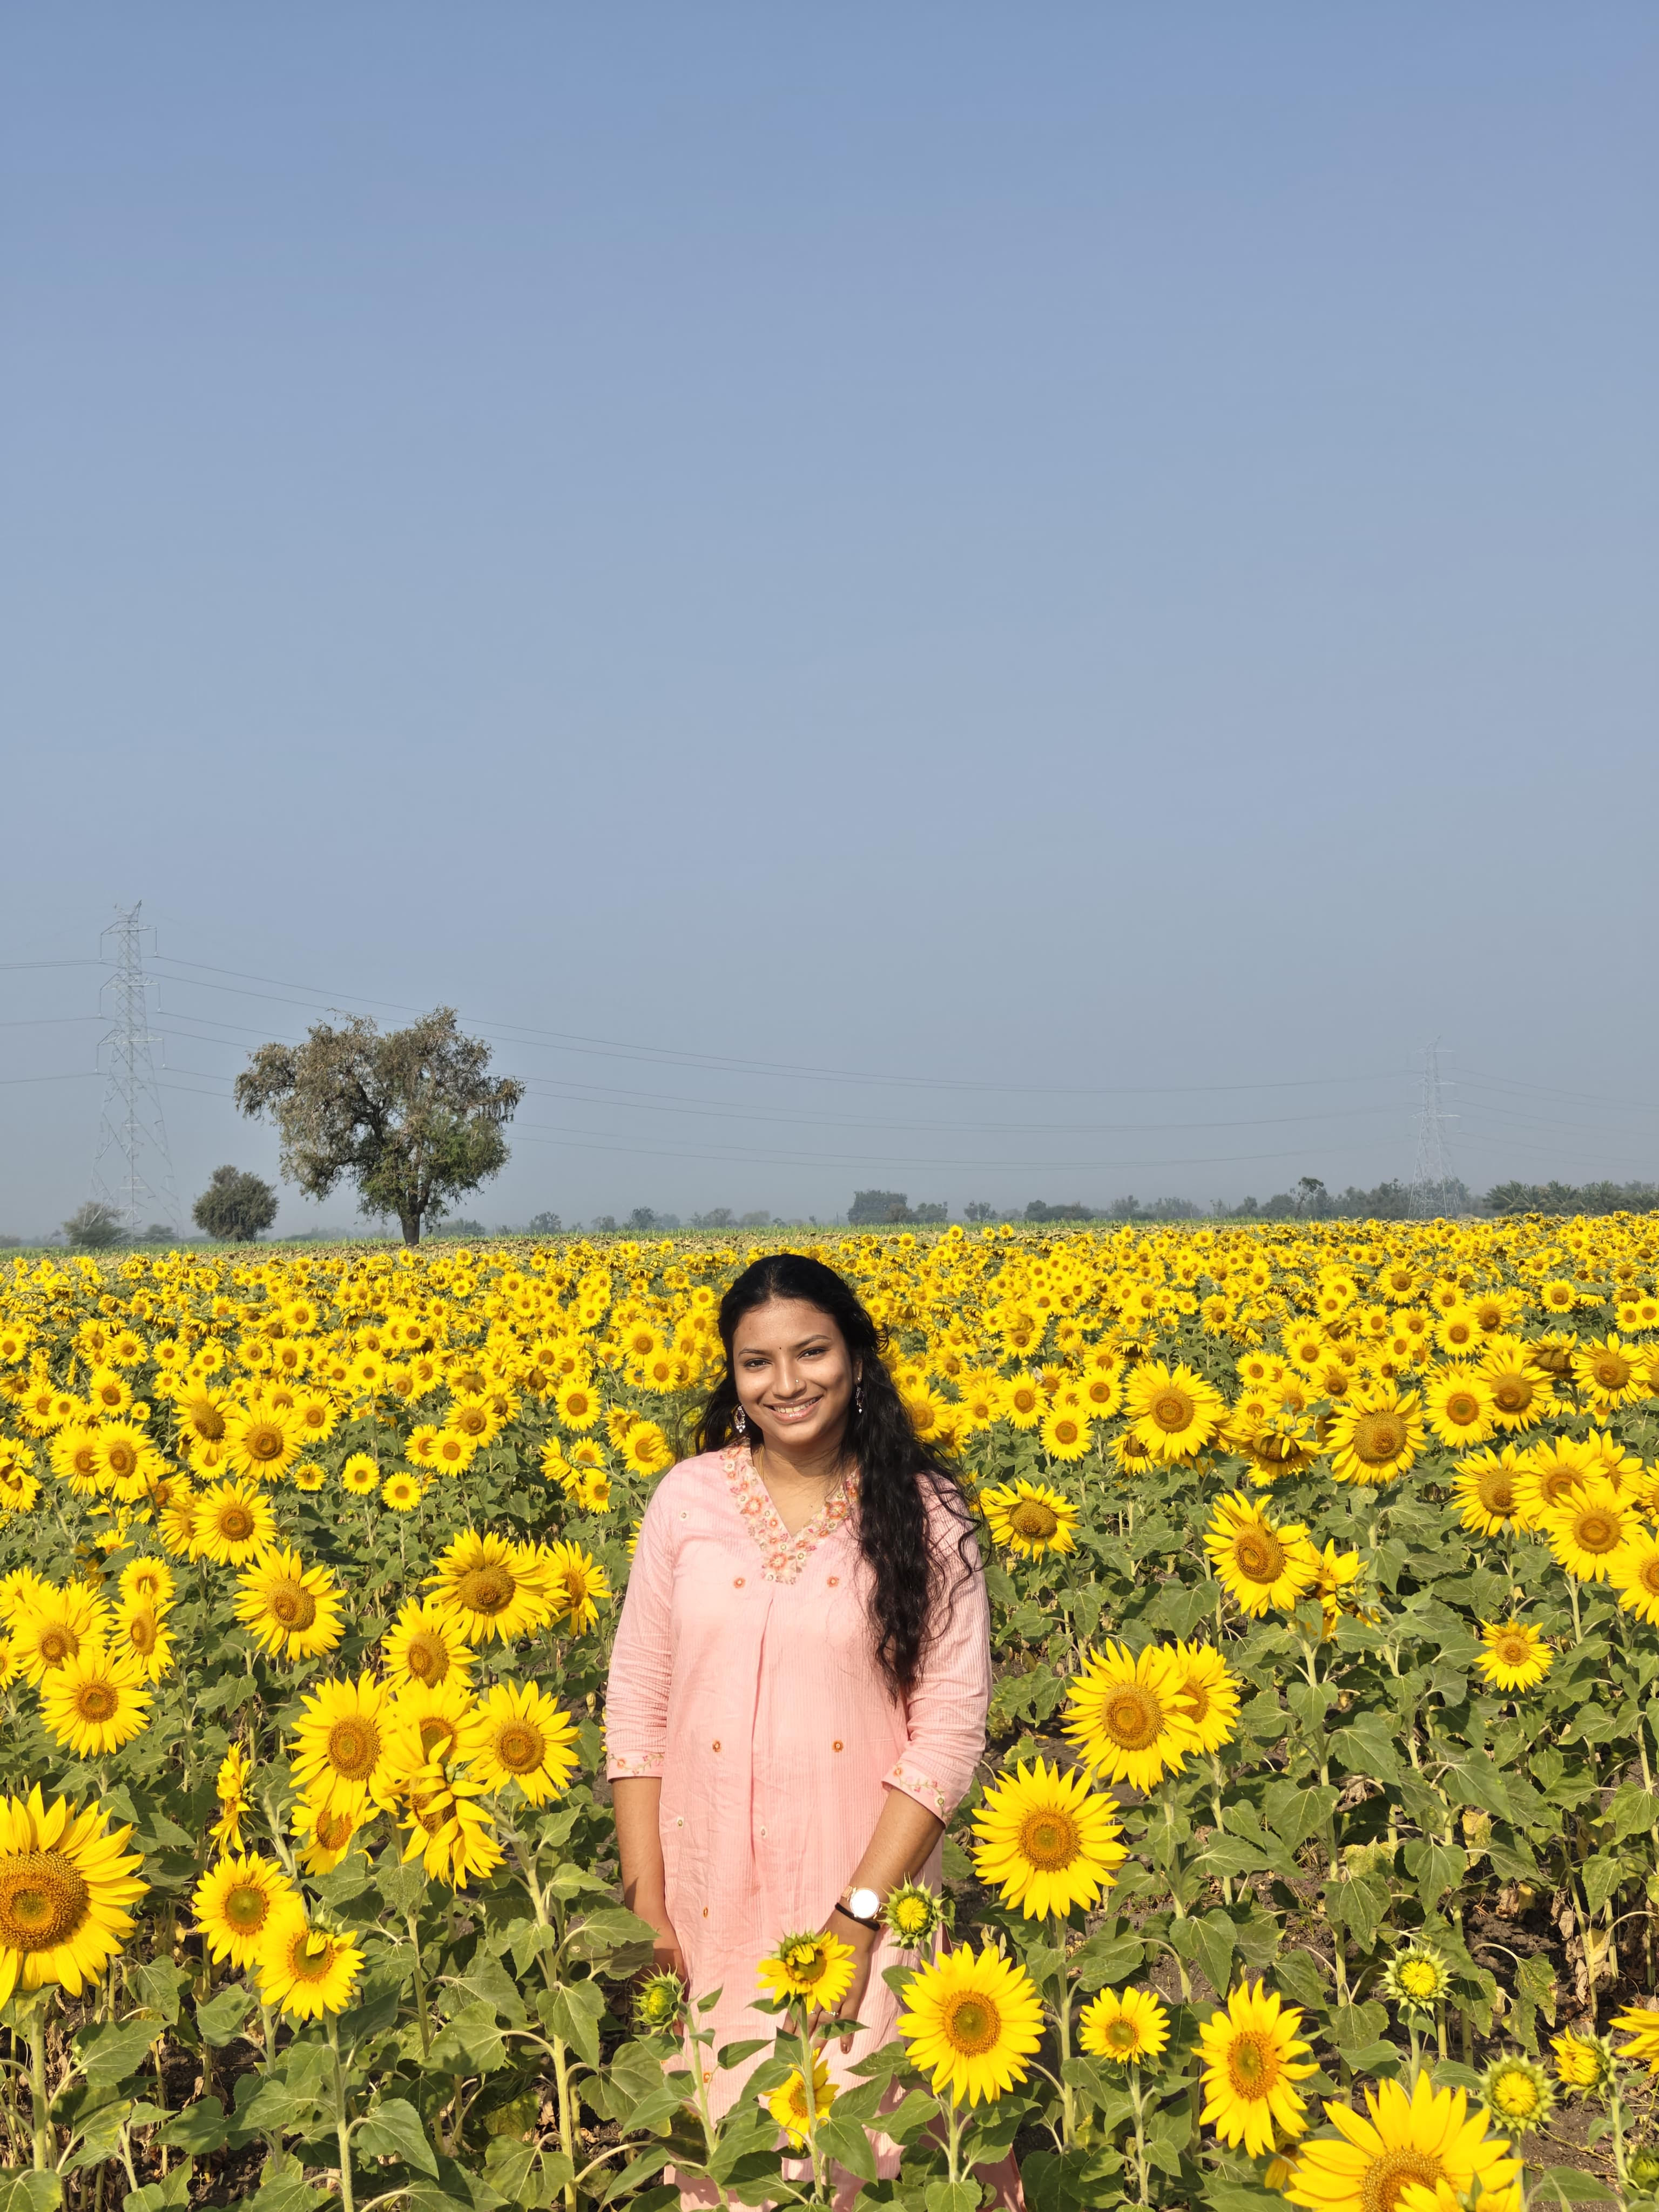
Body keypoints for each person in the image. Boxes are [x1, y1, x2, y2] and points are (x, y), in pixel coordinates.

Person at [605, 1250, 992, 2179]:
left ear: (858, 1358)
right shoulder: (687, 1501)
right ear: (733, 1379)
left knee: (865, 2146)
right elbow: (638, 1706)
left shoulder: (930, 1513)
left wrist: (857, 1920)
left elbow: (948, 1732)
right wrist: (645, 1902)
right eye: (757, 1362)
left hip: (861, 1890)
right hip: (706, 1897)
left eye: (811, 1352)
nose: (787, 1383)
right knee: (733, 2143)